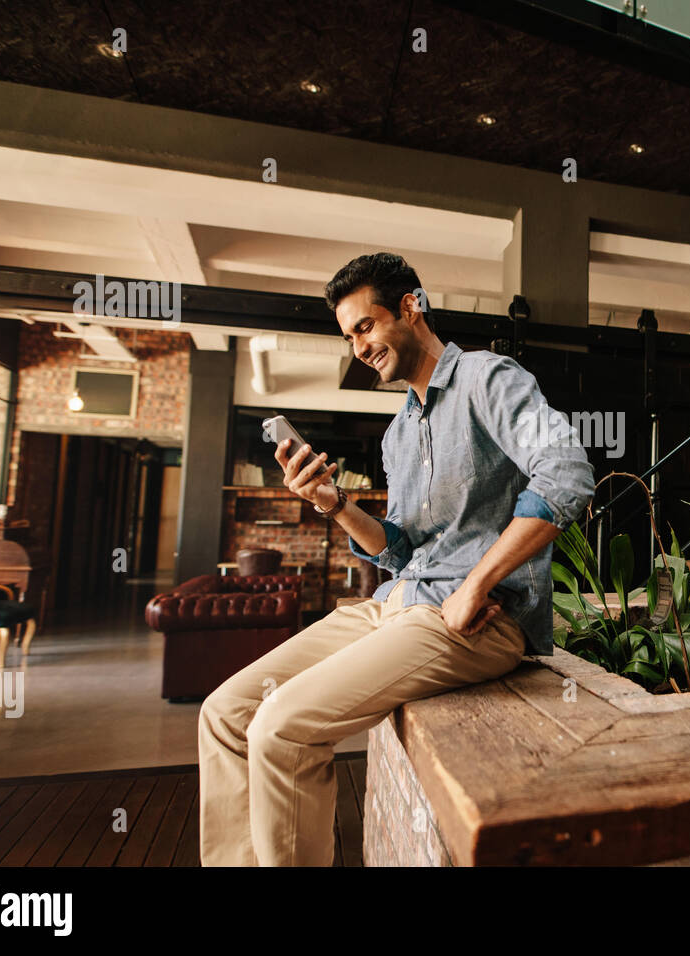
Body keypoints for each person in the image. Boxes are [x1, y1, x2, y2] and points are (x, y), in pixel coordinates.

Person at [198, 252, 595, 866]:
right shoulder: (398, 433)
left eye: (365, 325)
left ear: (413, 306)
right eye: (349, 335)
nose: (359, 346)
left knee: (282, 727)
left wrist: (477, 583)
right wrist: (333, 505)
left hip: (471, 621)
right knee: (224, 713)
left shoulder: (488, 379)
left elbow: (567, 474)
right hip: (395, 605)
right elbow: (401, 550)